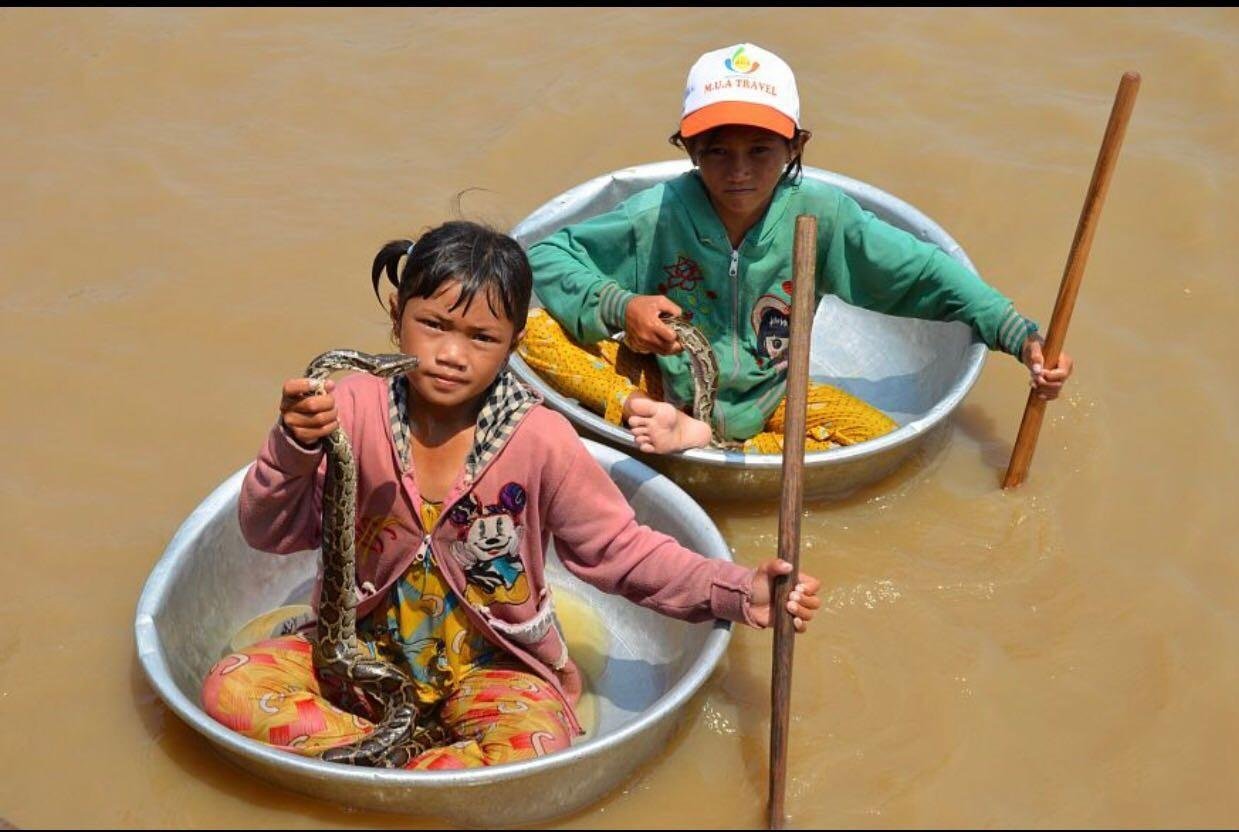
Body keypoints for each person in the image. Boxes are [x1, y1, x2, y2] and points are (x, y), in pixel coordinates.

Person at [201, 220, 822, 770]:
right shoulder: (350, 408)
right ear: (397, 318)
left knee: (535, 748)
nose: (450, 354)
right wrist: (291, 445)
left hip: (490, 672)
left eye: (481, 337)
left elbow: (622, 551)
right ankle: (392, 745)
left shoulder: (541, 439)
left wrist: (738, 589)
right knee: (228, 689)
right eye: (433, 325)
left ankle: (387, 758)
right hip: (356, 660)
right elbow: (267, 532)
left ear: (515, 343)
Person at [519, 42, 1074, 455]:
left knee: (885, 444)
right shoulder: (658, 212)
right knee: (531, 332)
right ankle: (645, 415)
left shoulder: (820, 215)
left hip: (776, 396)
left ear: (794, 145)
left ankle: (719, 446)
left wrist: (1018, 334)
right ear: (689, 148)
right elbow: (545, 259)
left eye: (760, 150)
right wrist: (622, 307)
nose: (738, 172)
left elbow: (924, 273)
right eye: (717, 152)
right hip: (664, 386)